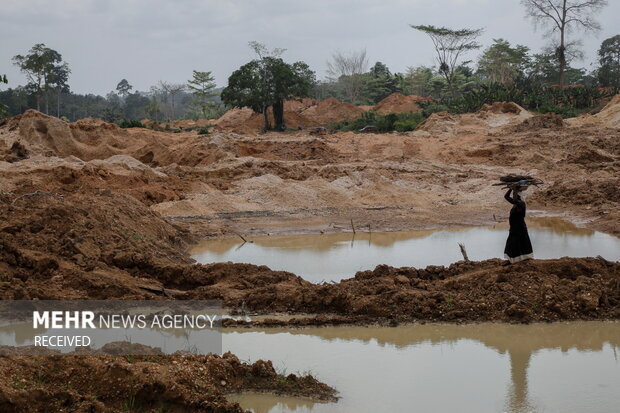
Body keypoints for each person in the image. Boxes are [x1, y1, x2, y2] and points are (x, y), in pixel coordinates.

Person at [503, 180, 533, 264]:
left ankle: (523, 259)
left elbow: (515, 199)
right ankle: (512, 260)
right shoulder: (516, 203)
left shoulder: (521, 204)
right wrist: (510, 189)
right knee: (513, 244)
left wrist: (515, 190)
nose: (513, 196)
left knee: (518, 243)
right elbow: (506, 196)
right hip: (514, 228)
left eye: (515, 195)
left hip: (519, 228)